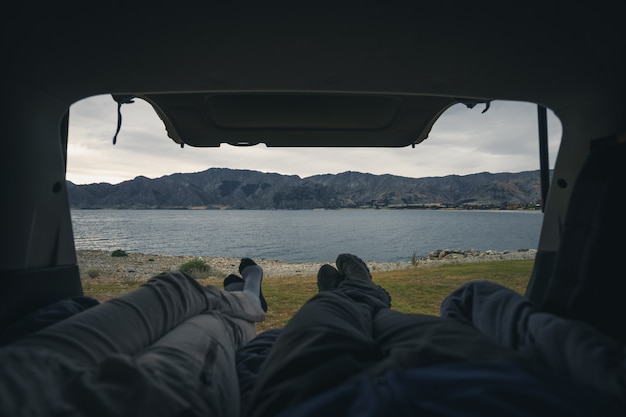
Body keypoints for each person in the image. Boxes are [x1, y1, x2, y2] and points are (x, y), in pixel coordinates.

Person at [237, 254, 624, 417]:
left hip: (314, 401)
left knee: (327, 312)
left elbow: (252, 369)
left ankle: (352, 294)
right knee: (383, 319)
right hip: (476, 374)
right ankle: (363, 295)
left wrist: (268, 347)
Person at [0, 258, 267, 417]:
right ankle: (250, 294)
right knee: (215, 322)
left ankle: (247, 297)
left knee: (176, 287)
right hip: (131, 404)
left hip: (18, 368)